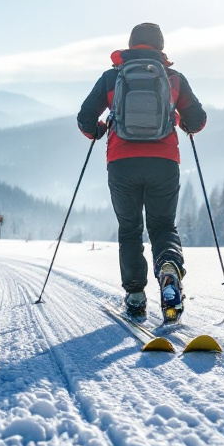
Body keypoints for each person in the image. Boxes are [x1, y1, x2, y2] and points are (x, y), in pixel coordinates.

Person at [77, 22, 207, 322]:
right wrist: (181, 120)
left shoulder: (112, 77)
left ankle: (135, 297)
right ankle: (169, 269)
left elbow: (85, 118)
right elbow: (197, 120)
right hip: (164, 163)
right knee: (163, 226)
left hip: (122, 163)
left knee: (130, 229)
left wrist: (98, 131)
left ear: (131, 44)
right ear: (160, 47)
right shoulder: (173, 78)